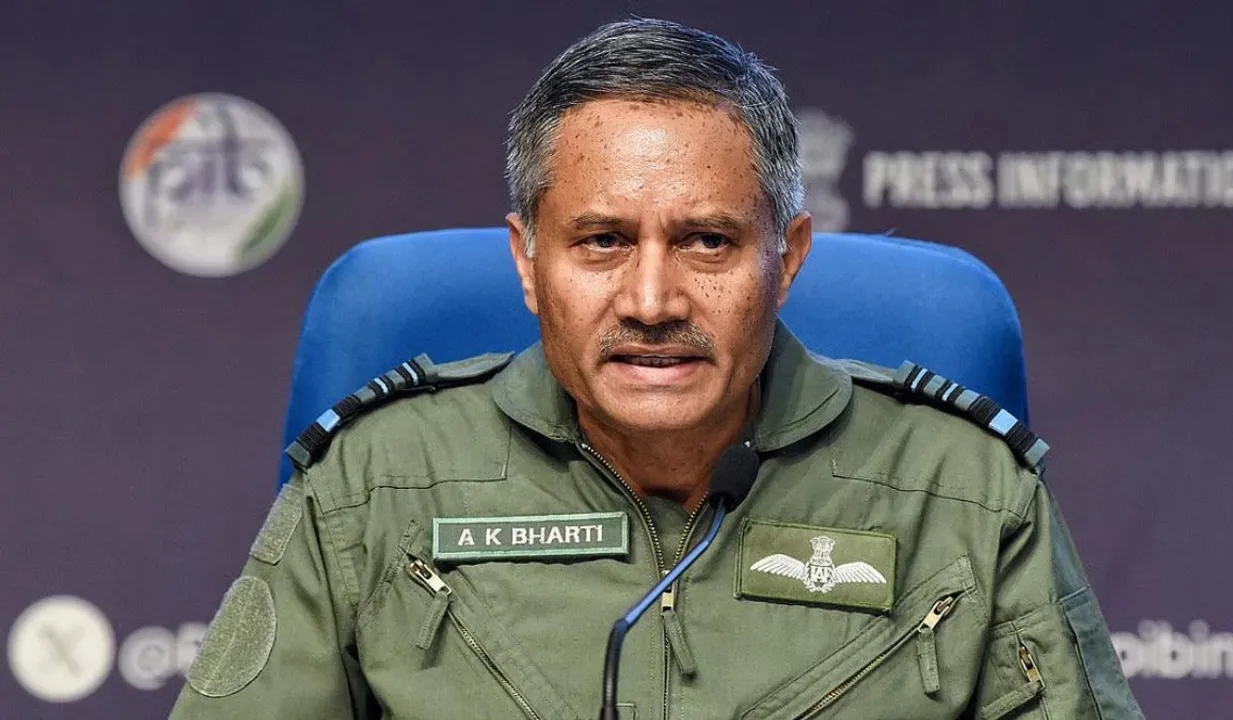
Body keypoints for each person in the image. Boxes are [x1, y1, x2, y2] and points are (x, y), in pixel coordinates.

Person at [169, 17, 1143, 720]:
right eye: (600, 241)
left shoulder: (965, 492)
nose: (650, 300)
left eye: (707, 242)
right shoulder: (372, 485)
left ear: (788, 259)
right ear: (526, 261)